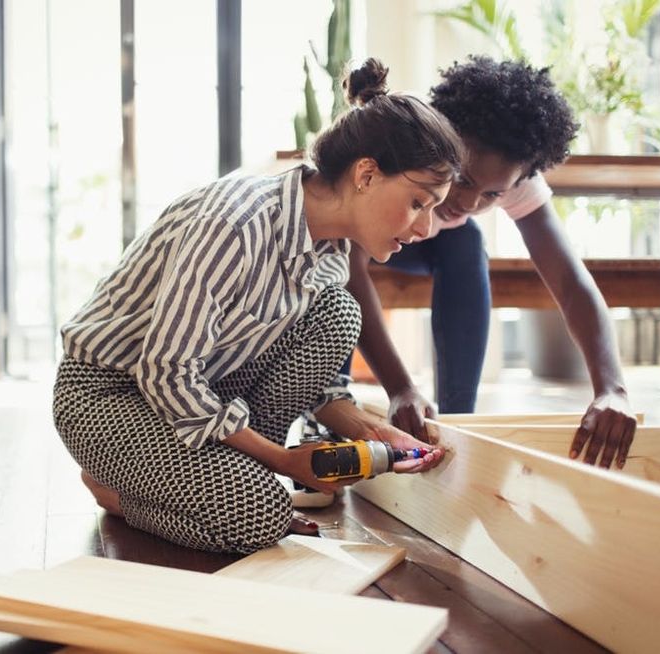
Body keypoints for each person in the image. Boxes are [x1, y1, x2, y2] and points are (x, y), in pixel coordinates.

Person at [52, 58, 459, 554]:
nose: (425, 228)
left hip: (207, 390)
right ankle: (116, 494)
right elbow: (167, 373)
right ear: (367, 175)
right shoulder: (237, 225)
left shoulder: (334, 254)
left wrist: (378, 435)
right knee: (262, 517)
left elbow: (316, 384)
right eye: (419, 203)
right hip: (110, 394)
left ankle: (227, 477)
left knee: (340, 314)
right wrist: (282, 461)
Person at [346, 56, 637, 469]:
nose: (469, 202)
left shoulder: (514, 176)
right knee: (331, 279)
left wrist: (612, 390)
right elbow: (348, 268)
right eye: (462, 179)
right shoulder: (407, 139)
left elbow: (571, 283)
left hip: (426, 245)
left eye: (492, 195)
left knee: (466, 240)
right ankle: (331, 402)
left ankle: (457, 420)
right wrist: (400, 388)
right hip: (350, 242)